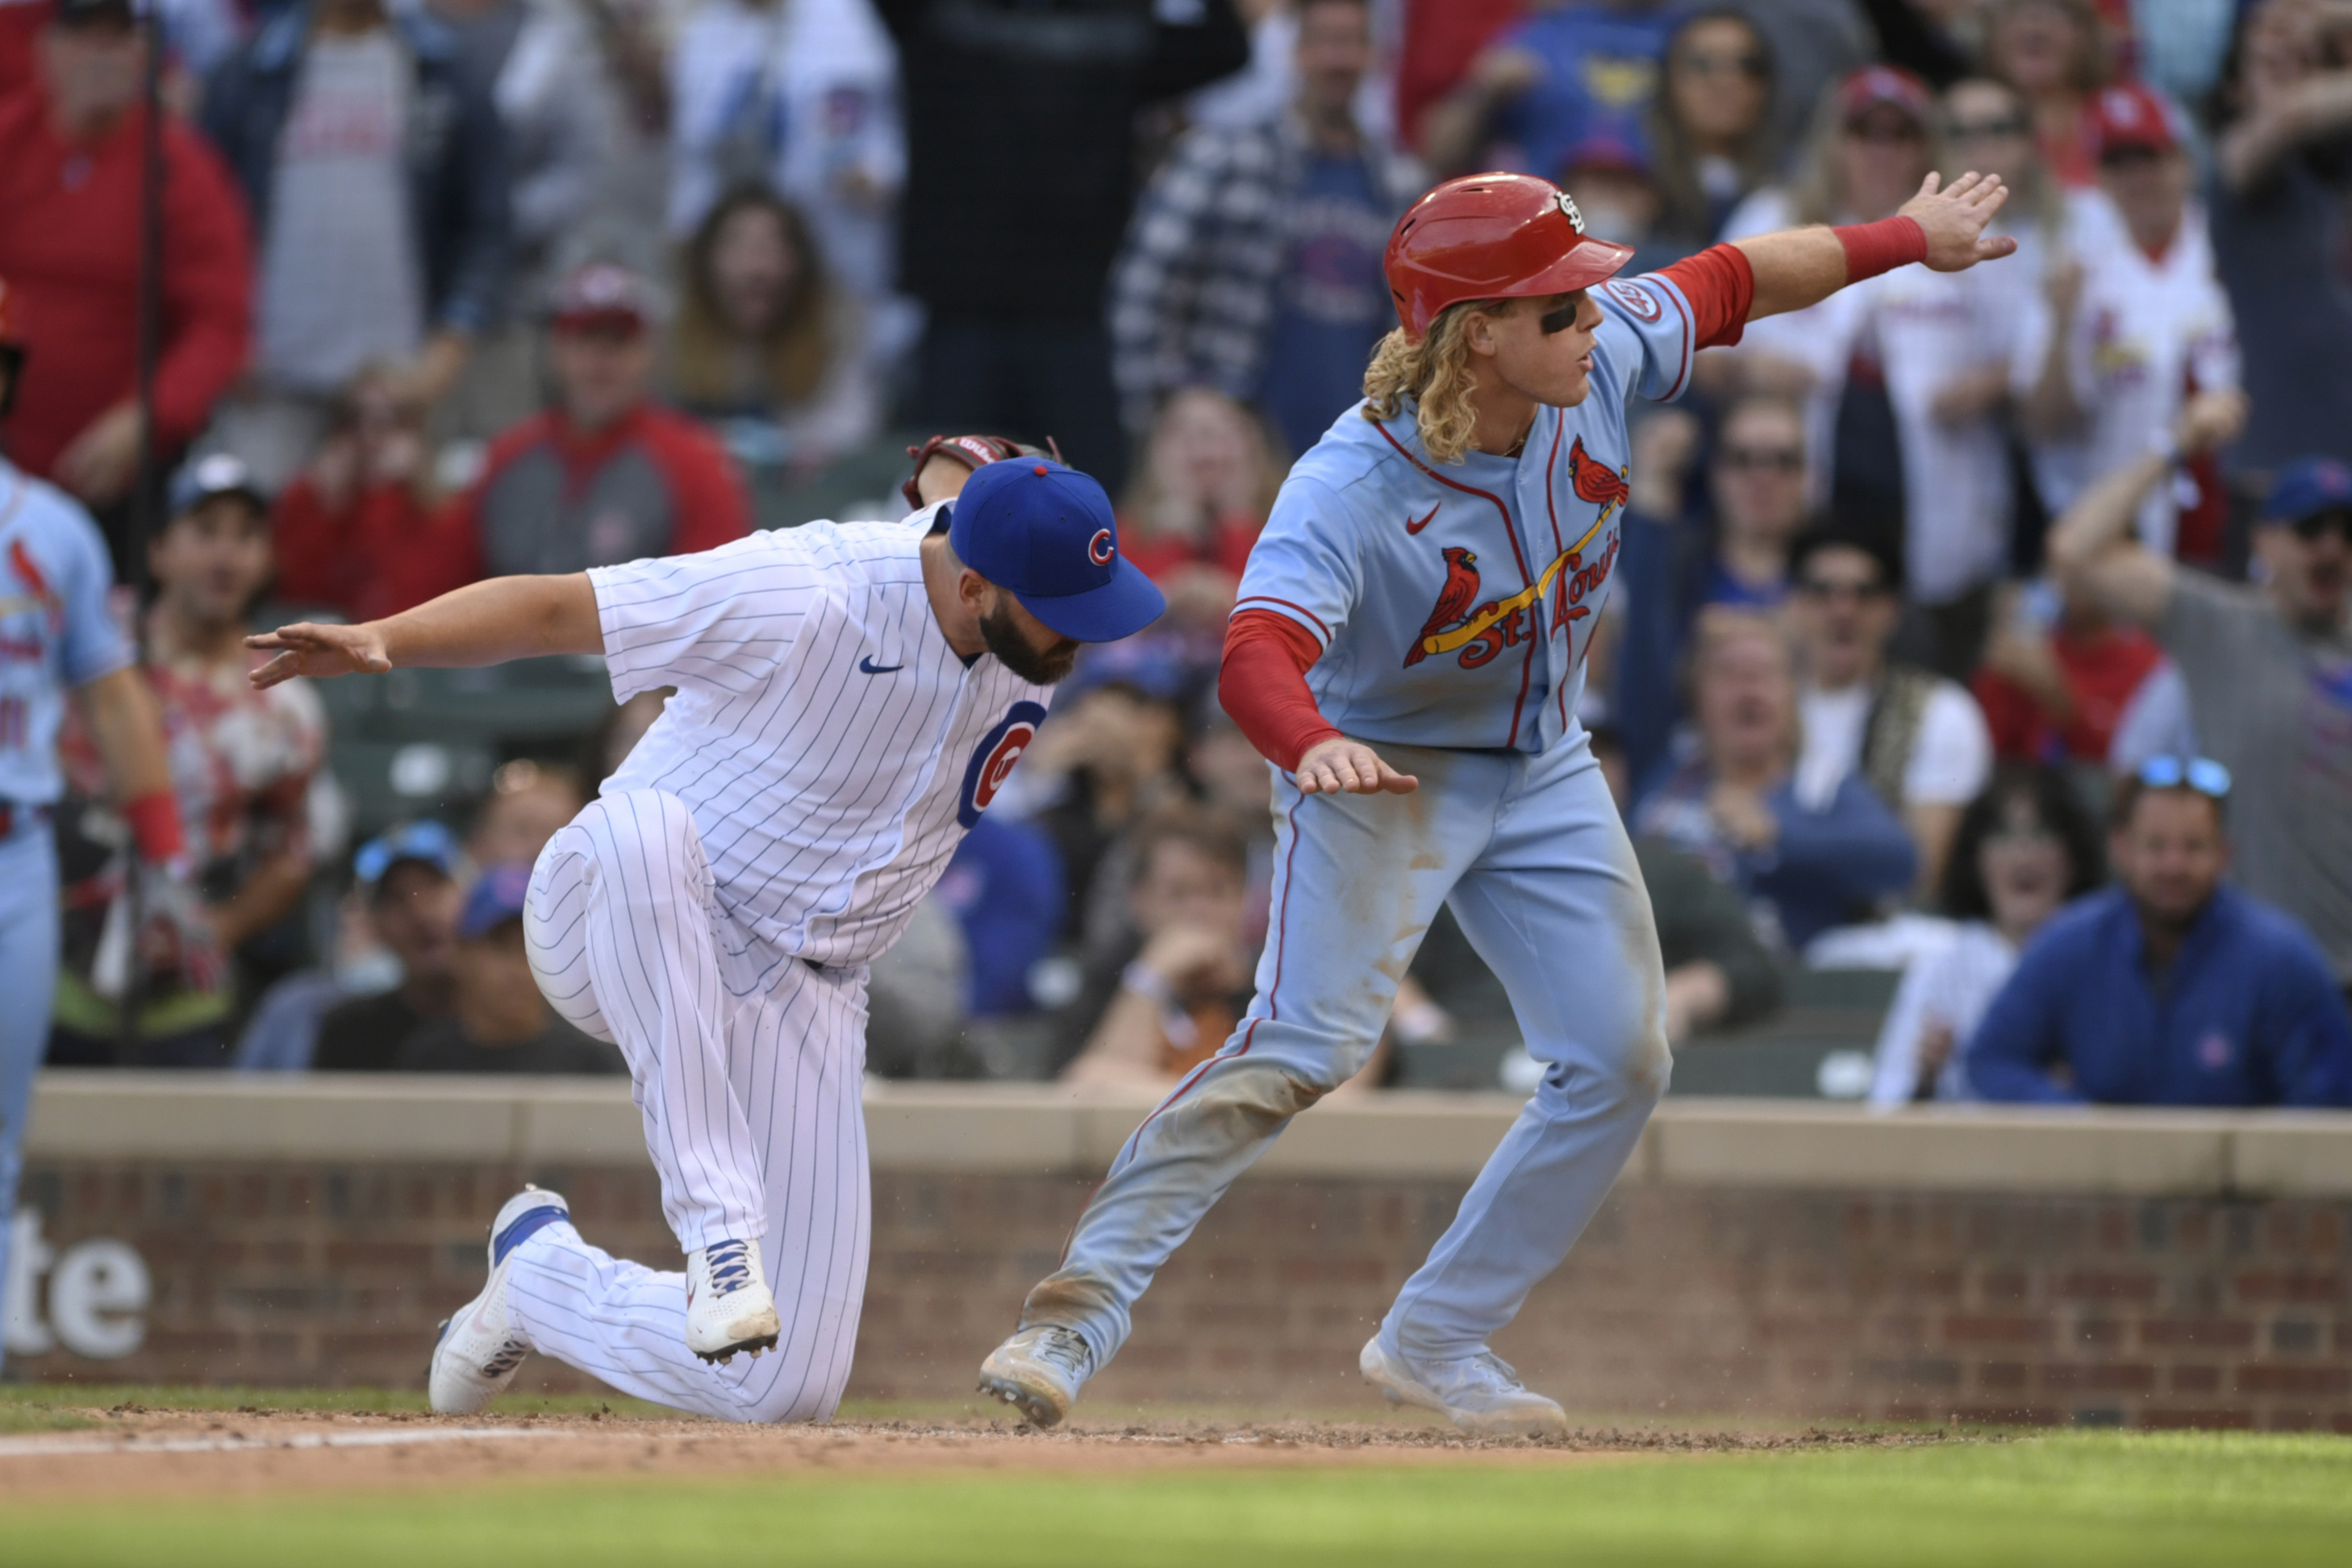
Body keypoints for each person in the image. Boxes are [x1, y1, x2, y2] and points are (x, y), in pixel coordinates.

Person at [975, 163, 2019, 1435]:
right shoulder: (1351, 484)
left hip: (1541, 760)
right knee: (1299, 1050)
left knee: (1624, 1057)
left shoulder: (1604, 357)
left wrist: (1912, 237)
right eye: (1560, 308)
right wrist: (1308, 748)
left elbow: (1737, 279)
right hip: (1377, 763)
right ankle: (1069, 1322)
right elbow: (1256, 649)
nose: (1598, 317)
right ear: (1478, 336)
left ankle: (1440, 1335)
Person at [246, 452, 1168, 1420]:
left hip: (807, 984)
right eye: (1061, 607)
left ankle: (542, 1283)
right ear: (974, 584)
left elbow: (976, 482)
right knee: (653, 828)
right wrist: (390, 634)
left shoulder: (1001, 559)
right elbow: (565, 610)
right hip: (617, 909)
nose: (1080, 633)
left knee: (791, 1383)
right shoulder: (807, 589)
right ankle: (717, 1232)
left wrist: (970, 462)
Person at [0, 272, 188, 1374]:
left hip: (15, 851)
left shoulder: (53, 528)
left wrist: (164, 853)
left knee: (1, 1145)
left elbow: (114, 698)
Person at [876, 0, 1250, 495]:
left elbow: (1226, 47)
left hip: (1077, 319)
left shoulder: (1122, 26)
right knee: (942, 507)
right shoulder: (941, 14)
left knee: (1089, 512)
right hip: (964, 311)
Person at [2049, 391, 2352, 986]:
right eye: (2311, 528)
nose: (2331, 547)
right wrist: (2176, 444)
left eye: (2347, 530)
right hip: (2255, 980)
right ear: (2264, 541)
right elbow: (2074, 551)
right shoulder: (2221, 624)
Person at [50, 455, 325, 1065]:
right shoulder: (94, 651)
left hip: (186, 994)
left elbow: (293, 849)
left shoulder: (285, 699)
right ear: (159, 552)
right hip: (55, 968)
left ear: (266, 560)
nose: (225, 556)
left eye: (246, 536)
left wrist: (218, 931)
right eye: (205, 533)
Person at [199, 0, 510, 490]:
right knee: (256, 541)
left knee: (398, 557)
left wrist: (451, 341)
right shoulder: (248, 72)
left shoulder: (444, 71)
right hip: (271, 381)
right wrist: (225, 339)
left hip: (400, 382)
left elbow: (487, 220)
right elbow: (203, 223)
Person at [1107, 0, 1424, 460]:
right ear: (1296, 52)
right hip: (1235, 453)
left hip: (1357, 455)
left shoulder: (1403, 186)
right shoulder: (1220, 159)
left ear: (1375, 56)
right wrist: (1156, 418)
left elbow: (1420, 330)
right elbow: (1142, 290)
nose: (1339, 59)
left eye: (1353, 43)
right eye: (1324, 42)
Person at [333, 262, 751, 600]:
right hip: (508, 684)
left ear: (647, 354)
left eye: (619, 340)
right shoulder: (507, 455)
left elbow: (717, 603)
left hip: (642, 687)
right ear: (555, 348)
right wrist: (399, 497)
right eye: (585, 338)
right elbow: (429, 591)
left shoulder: (694, 460)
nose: (600, 359)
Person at [0, 0, 251, 542]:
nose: (100, 57)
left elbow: (219, 320)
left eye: (115, 40)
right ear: (46, 50)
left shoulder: (178, 167)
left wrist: (146, 416)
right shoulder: (11, 141)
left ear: (142, 55)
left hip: (116, 471)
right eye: (83, 38)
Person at [1968, 760, 2352, 1107]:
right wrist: (2077, 1123)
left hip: (2239, 1180)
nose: (2173, 865)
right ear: (2120, 849)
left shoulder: (2282, 958)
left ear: (2224, 854)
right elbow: (1992, 1057)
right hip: (2102, 1178)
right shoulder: (2070, 943)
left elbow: (2328, 1100)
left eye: (2194, 847)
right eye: (2155, 846)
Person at [2012, 81, 2240, 563]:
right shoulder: (2076, 271)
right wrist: (2061, 326)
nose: (2137, 178)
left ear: (2183, 161)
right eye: (2118, 163)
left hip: (2235, 505)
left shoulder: (2234, 249)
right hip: (2126, 523)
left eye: (2149, 157)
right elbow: (2042, 424)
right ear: (2100, 177)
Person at [1634, 611, 1916, 953]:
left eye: (1765, 674)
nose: (1749, 690)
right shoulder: (1671, 777)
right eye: (1728, 674)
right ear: (1696, 694)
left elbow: (1899, 861)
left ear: (1792, 694)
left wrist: (1778, 836)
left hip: (1787, 981)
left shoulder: (1820, 786)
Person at [666, 0, 903, 342]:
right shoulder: (704, 33)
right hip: (734, 276)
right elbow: (694, 162)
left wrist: (869, 177)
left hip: (830, 264)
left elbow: (882, 147)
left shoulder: (844, 21)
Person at [1866, 764, 2102, 1106]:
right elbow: (1883, 1112)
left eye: (2041, 834)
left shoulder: (2106, 961)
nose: (2023, 855)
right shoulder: (1939, 970)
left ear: (2073, 856)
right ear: (1976, 860)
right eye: (2003, 836)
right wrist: (1925, 1082)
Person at [1612, 393, 1809, 786]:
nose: (1763, 476)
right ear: (1715, 472)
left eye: (1784, 461)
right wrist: (1653, 480)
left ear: (1809, 475)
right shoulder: (1675, 573)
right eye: (1742, 459)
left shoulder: (1839, 579)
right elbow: (1636, 686)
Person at [1786, 527, 1992, 897]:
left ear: (1892, 611)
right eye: (1822, 592)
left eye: (1863, 594)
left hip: (1880, 934)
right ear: (1794, 606)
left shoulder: (1941, 711)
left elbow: (1919, 874)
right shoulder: (1756, 705)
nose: (1843, 611)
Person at [2210, 0, 2352, 473]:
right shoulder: (2235, 163)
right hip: (2280, 463)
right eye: (2270, 64)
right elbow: (2292, 115)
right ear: (2235, 88)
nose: (2292, 76)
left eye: (2307, 63)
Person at [662, 186, 880, 474]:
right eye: (737, 246)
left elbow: (854, 427)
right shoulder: (667, 336)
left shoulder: (834, 328)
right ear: (705, 262)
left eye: (774, 246)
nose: (757, 267)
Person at [1591, 724, 1780, 1041]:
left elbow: (1757, 973)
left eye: (1598, 758)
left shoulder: (1661, 873)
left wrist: (1687, 992)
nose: (1590, 774)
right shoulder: (1485, 872)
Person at [1057, 809, 1258, 1089]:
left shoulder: (1275, 986)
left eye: (1217, 891)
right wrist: (1151, 979)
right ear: (1138, 901)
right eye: (1178, 893)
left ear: (1243, 898)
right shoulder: (1106, 979)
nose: (1199, 910)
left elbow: (1324, 1096)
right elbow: (1087, 1087)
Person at [393, 862, 622, 1074]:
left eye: (534, 946)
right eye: (502, 945)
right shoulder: (427, 1060)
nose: (519, 968)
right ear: (462, 952)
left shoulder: (592, 1062)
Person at [1419, 0, 1679, 180]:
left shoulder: (1694, 32)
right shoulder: (1544, 30)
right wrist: (1483, 92)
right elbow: (1441, 153)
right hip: (1551, 220)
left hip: (1671, 226)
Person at [1644, 7, 1779, 255]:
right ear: (1668, 80)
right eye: (1703, 64)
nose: (1726, 80)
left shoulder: (1793, 189)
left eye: (1747, 65)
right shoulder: (1631, 181)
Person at [1983, 0, 2111, 189]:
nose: (2034, 26)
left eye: (2054, 14)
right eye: (2016, 15)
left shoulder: (2132, 110)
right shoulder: (1964, 121)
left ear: (2084, 35)